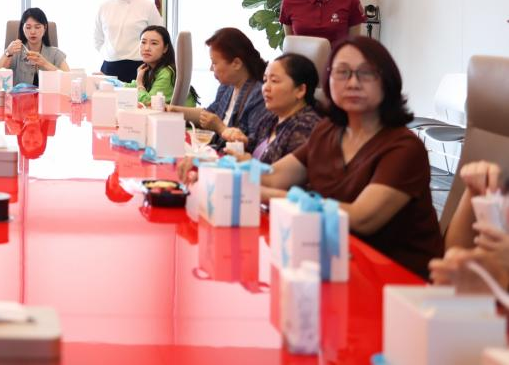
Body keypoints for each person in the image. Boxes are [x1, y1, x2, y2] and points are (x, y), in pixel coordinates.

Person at [179, 37, 442, 278]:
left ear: (388, 80)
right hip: (329, 262)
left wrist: (270, 196)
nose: (352, 82)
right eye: (342, 73)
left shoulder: (403, 147)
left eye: (365, 73)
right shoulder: (329, 131)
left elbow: (362, 218)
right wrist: (213, 167)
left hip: (392, 277)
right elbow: (272, 176)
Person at [167, 27, 267, 147]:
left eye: (214, 63)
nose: (211, 68)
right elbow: (208, 114)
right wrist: (170, 110)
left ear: (236, 63)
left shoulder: (258, 95)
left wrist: (220, 127)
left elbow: (255, 146)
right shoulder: (227, 87)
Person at [234, 53, 322, 164]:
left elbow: (288, 174)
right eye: (265, 80)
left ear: (300, 90)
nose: (265, 88)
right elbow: (253, 149)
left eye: (274, 81)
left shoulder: (306, 127)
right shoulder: (270, 119)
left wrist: (251, 165)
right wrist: (241, 141)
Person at [94, 0, 163, 83]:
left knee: (139, 95)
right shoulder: (104, 7)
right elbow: (98, 39)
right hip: (110, 66)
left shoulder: (147, 6)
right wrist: (109, 54)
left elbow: (160, 36)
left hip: (139, 66)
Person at [0, 7, 69, 86]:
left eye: (37, 27)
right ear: (23, 28)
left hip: (48, 94)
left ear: (45, 28)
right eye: (28, 27)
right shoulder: (15, 53)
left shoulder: (55, 53)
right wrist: (7, 53)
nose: (32, 32)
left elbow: (68, 80)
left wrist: (45, 63)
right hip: (20, 94)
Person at [134, 25, 196, 107]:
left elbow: (149, 103)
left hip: (181, 115)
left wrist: (139, 83)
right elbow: (131, 88)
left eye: (154, 43)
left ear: (165, 48)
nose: (146, 48)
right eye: (143, 42)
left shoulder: (167, 73)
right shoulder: (150, 69)